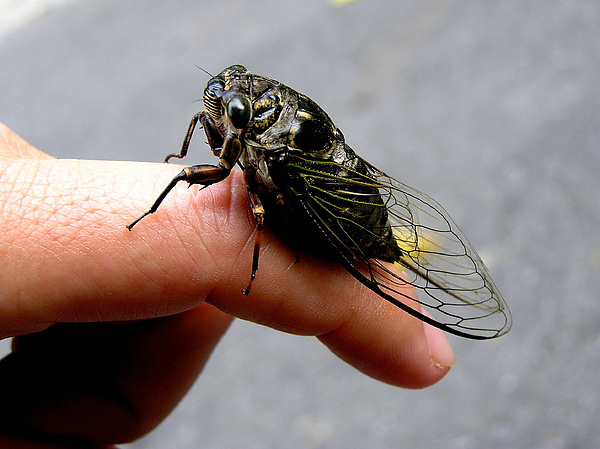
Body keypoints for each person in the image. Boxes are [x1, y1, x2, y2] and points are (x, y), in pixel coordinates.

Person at [0, 123, 454, 449]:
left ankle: (365, 247)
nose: (215, 121)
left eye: (230, 111)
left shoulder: (271, 149)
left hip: (340, 209)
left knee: (273, 216)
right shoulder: (236, 128)